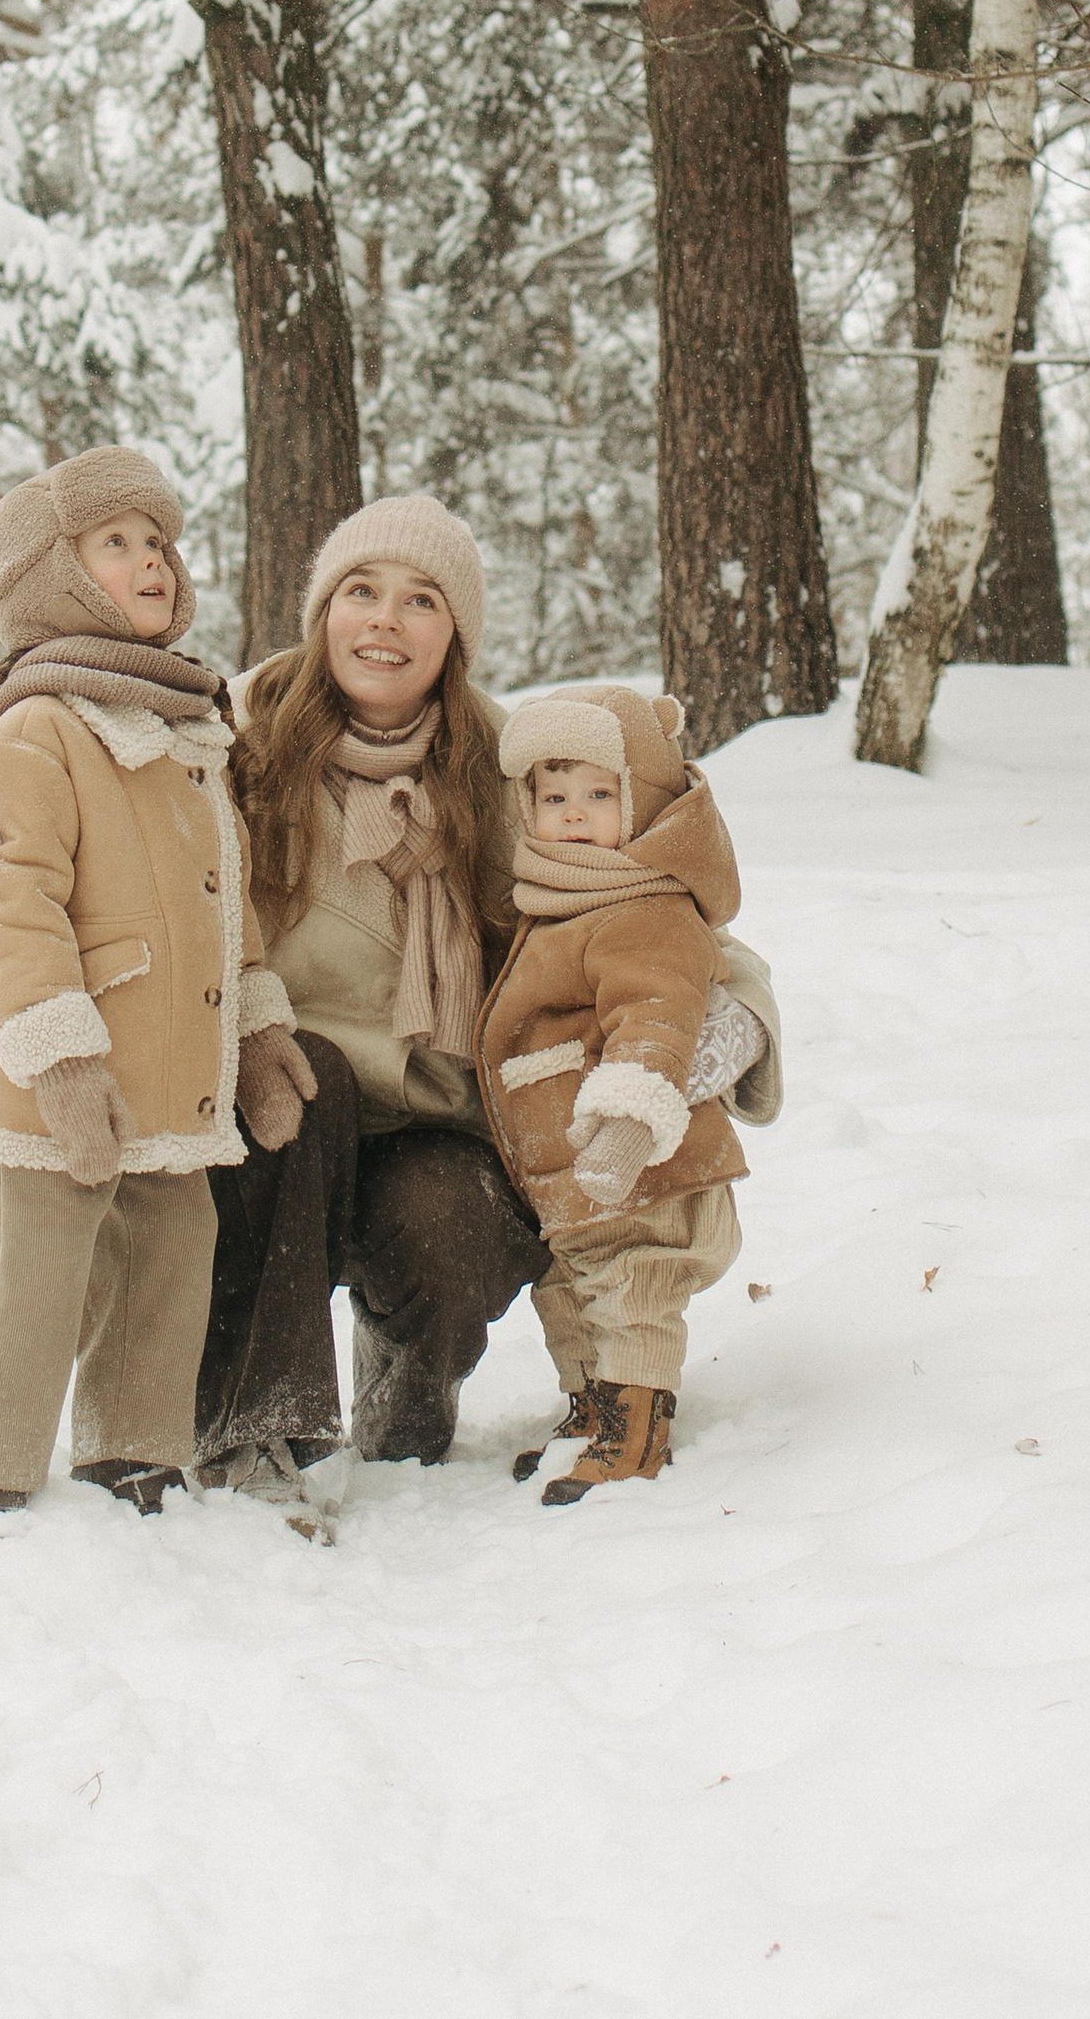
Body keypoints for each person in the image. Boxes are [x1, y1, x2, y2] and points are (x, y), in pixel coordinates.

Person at [0, 446, 313, 1529]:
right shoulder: (38, 729)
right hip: (50, 1072)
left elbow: (229, 901)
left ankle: (131, 1448)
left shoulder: (189, 728)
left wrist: (257, 1028)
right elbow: (9, 899)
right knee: (34, 1270)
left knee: (169, 1254)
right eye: (114, 543)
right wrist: (61, 1057)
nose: (150, 560)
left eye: (157, 540)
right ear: (51, 579)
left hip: (170, 1067)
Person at [194, 495, 539, 1502]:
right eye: (360, 591)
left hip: (432, 1117)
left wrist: (727, 1009)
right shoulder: (234, 737)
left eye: (419, 599)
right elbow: (79, 806)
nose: (384, 621)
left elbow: (639, 892)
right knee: (307, 1076)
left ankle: (406, 1369)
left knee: (451, 1221)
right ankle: (250, 1425)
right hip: (277, 1106)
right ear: (322, 612)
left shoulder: (505, 766)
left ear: (454, 636)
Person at [480, 685, 746, 1504]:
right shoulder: (560, 894)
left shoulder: (643, 903)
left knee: (633, 1288)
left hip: (638, 1167)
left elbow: (656, 1019)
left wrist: (629, 1121)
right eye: (554, 796)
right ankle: (591, 1407)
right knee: (571, 1286)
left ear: (645, 800)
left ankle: (634, 1426)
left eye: (600, 794)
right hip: (571, 1173)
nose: (572, 814)